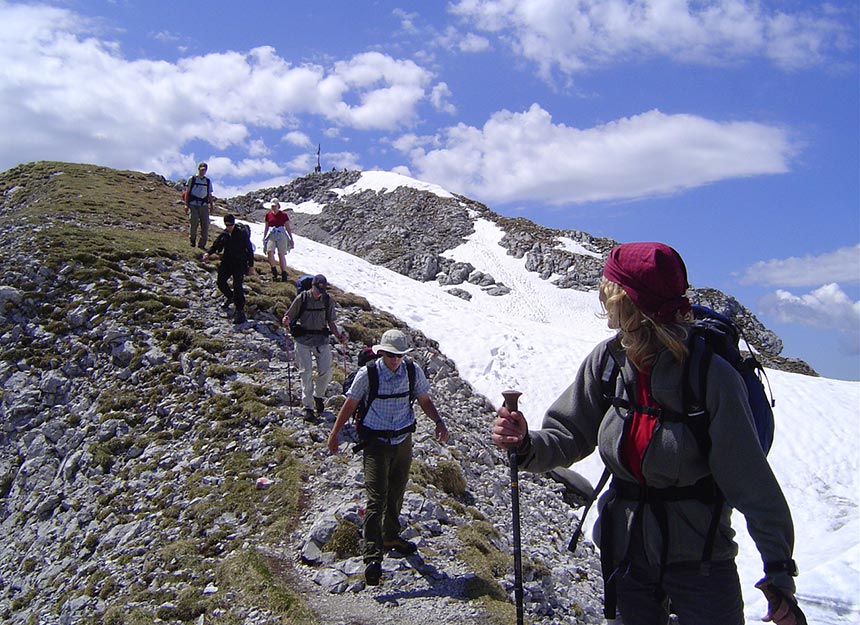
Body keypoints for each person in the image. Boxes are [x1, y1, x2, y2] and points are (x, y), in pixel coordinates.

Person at [492, 242, 805, 625]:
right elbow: (569, 434)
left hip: (701, 558)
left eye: (610, 288)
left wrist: (778, 574)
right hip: (626, 556)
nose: (603, 295)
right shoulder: (608, 362)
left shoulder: (710, 376)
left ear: (627, 301)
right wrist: (526, 443)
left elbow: (750, 481)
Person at [327, 329, 449, 586]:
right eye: (390, 355)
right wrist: (335, 433)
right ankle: (372, 555)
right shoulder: (368, 373)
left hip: (403, 438)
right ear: (381, 352)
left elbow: (424, 400)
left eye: (399, 355)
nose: (395, 360)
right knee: (376, 496)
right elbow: (350, 405)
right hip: (376, 442)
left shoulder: (412, 370)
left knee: (397, 488)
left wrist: (439, 422)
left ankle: (391, 536)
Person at [282, 274, 347, 418]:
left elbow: (331, 322)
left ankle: (318, 396)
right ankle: (308, 407)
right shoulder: (302, 298)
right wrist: (286, 320)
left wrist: (338, 336)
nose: (319, 293)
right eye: (318, 289)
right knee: (306, 373)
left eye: (322, 290)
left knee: (326, 371)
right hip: (302, 340)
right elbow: (289, 316)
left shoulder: (327, 300)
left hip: (321, 340)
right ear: (313, 286)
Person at [203, 214, 255, 324]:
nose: (229, 226)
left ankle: (240, 311)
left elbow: (249, 249)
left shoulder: (242, 234)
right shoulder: (225, 234)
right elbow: (216, 245)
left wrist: (251, 265)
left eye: (231, 224)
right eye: (227, 225)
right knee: (220, 282)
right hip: (227, 262)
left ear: (234, 223)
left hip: (239, 264)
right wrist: (208, 253)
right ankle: (230, 296)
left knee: (237, 285)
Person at [262, 197, 293, 282]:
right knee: (269, 251)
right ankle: (274, 270)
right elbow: (266, 227)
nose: (274, 208)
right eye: (272, 206)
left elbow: (287, 227)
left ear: (278, 206)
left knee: (281, 254)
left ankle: (283, 273)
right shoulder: (268, 215)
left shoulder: (283, 215)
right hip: (272, 234)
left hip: (281, 234)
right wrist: (264, 237)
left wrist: (291, 238)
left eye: (275, 206)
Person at [185, 162, 214, 249]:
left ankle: (202, 244)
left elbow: (209, 194)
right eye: (201, 170)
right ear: (198, 169)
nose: (203, 172)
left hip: (204, 205)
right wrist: (186, 205)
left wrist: (211, 205)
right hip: (193, 204)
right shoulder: (192, 179)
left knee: (205, 225)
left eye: (204, 170)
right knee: (194, 223)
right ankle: (192, 240)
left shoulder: (208, 181)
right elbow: (187, 192)